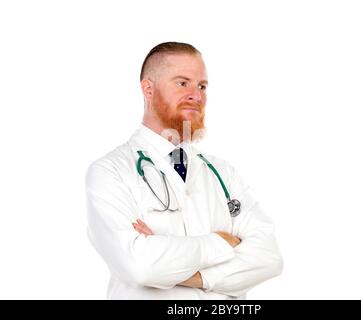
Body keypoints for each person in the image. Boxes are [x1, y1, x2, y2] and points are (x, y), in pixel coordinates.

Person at [85, 42, 283, 299]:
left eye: (202, 86)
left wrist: (193, 276)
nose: (196, 95)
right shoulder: (109, 172)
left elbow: (269, 257)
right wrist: (222, 242)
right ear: (148, 89)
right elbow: (140, 266)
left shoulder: (223, 173)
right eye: (182, 83)